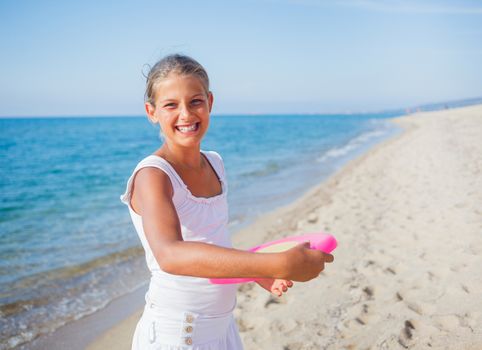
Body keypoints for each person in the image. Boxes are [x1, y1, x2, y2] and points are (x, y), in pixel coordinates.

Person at [120, 54, 334, 349]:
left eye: (195, 101)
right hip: (178, 332)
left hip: (222, 327)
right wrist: (278, 263)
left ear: (210, 102)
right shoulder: (153, 176)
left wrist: (258, 272)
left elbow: (211, 243)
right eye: (171, 105)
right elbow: (170, 254)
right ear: (151, 111)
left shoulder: (215, 164)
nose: (185, 114)